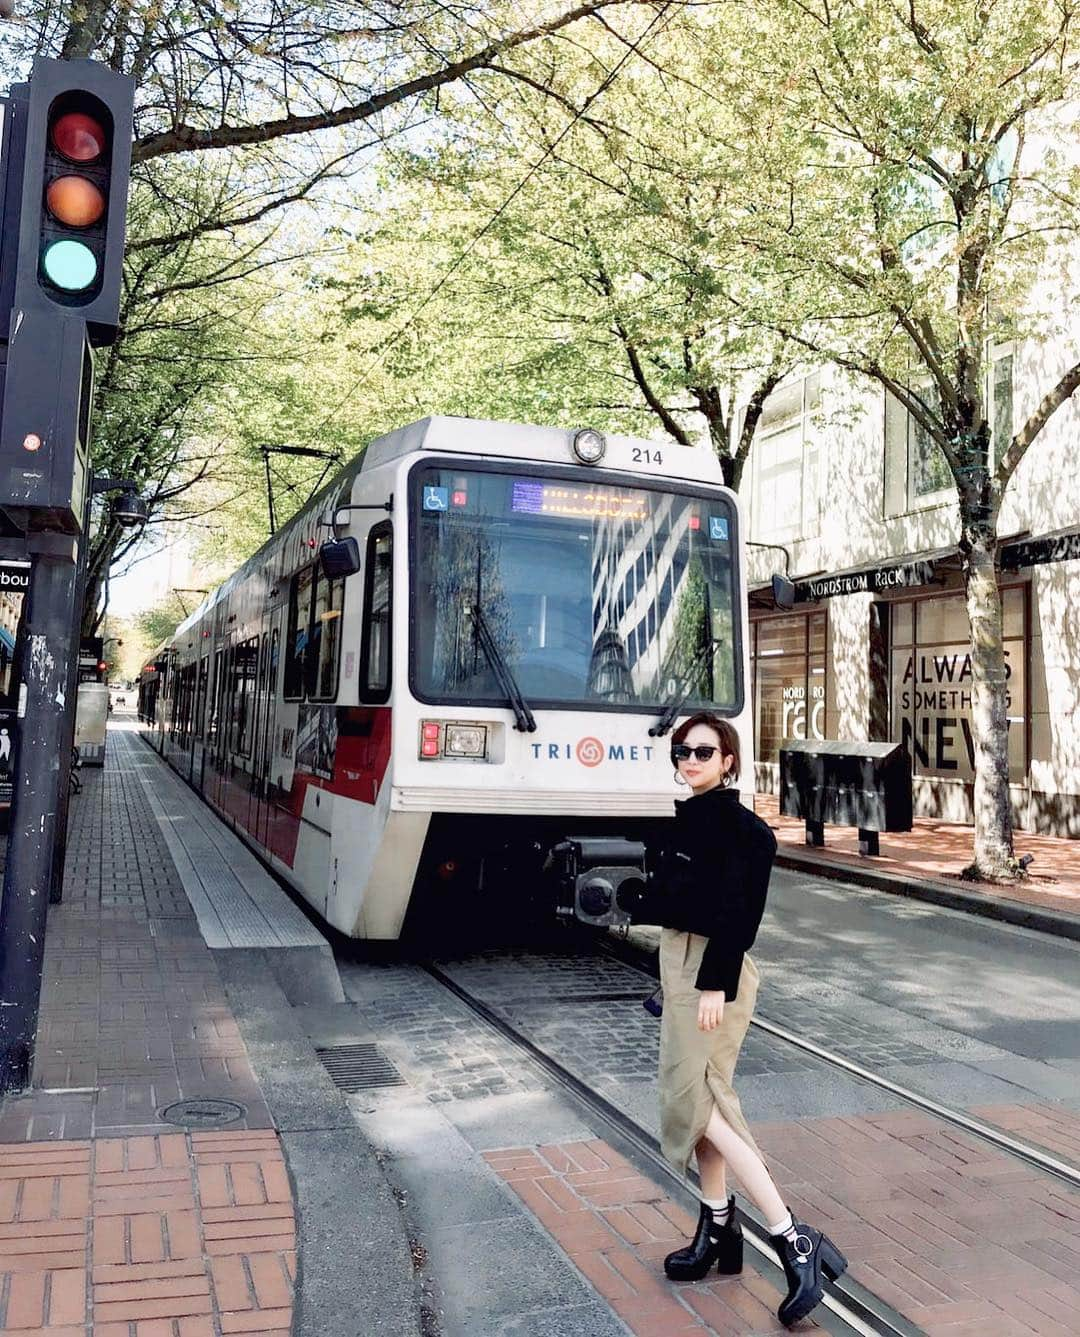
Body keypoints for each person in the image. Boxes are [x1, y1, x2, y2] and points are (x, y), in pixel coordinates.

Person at [620, 710, 846, 1328]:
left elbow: (737, 914)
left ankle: (794, 1240)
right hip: (682, 964)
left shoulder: (746, 831)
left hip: (712, 972)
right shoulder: (687, 818)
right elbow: (675, 901)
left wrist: (712, 982)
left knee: (690, 1102)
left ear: (729, 761)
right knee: (707, 1099)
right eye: (682, 752)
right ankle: (719, 1228)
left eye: (702, 752)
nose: (689, 760)